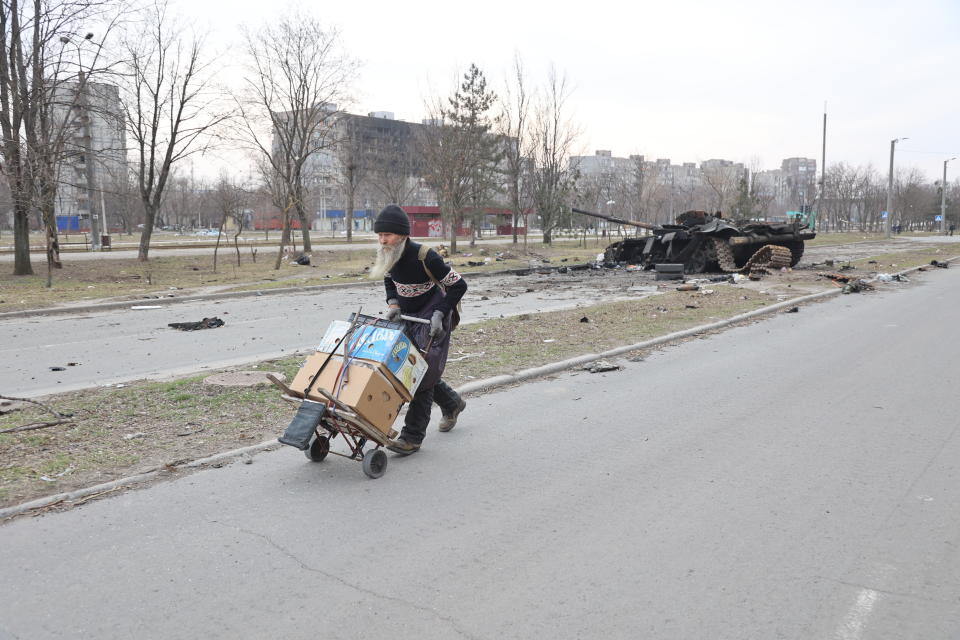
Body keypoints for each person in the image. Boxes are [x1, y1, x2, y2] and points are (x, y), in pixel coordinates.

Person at [370, 205, 468, 455]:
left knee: (421, 374)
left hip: (433, 317)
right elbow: (388, 279)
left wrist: (440, 313)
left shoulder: (425, 256)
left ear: (402, 235)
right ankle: (452, 403)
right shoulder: (388, 254)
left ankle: (412, 437)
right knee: (408, 368)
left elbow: (459, 286)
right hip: (407, 315)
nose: (383, 240)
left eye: (388, 235)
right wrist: (392, 302)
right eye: (380, 235)